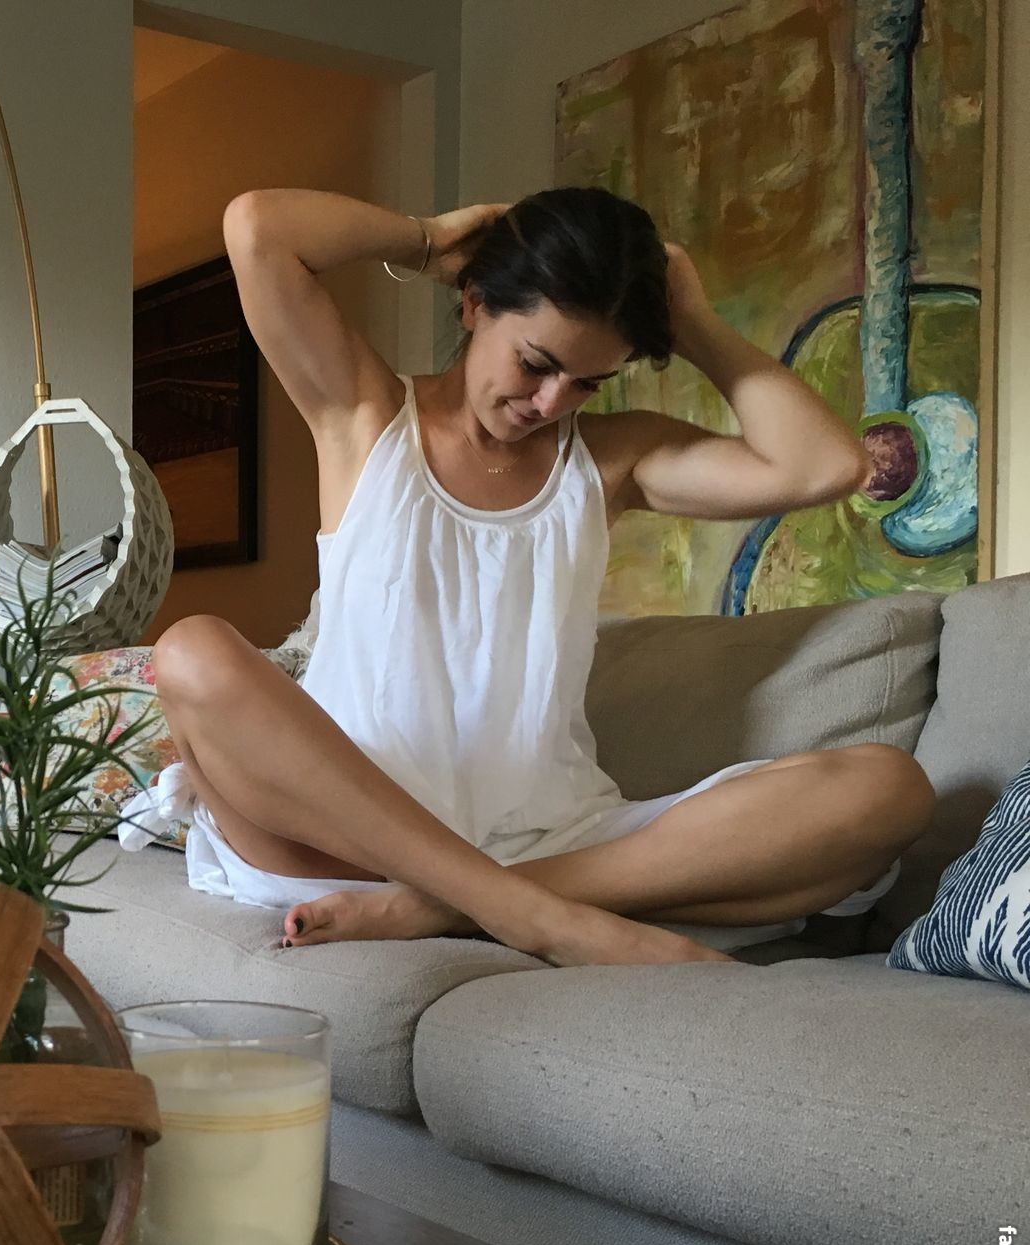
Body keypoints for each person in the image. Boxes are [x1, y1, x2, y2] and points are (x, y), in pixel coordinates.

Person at [130, 188, 934, 968]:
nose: (549, 402)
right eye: (536, 363)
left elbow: (825, 466)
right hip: (340, 840)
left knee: (887, 789)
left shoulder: (610, 461)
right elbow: (257, 226)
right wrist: (427, 241)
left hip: (550, 842)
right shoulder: (365, 414)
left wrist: (690, 321)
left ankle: (459, 906)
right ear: (475, 302)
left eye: (587, 382)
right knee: (192, 650)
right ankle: (539, 918)